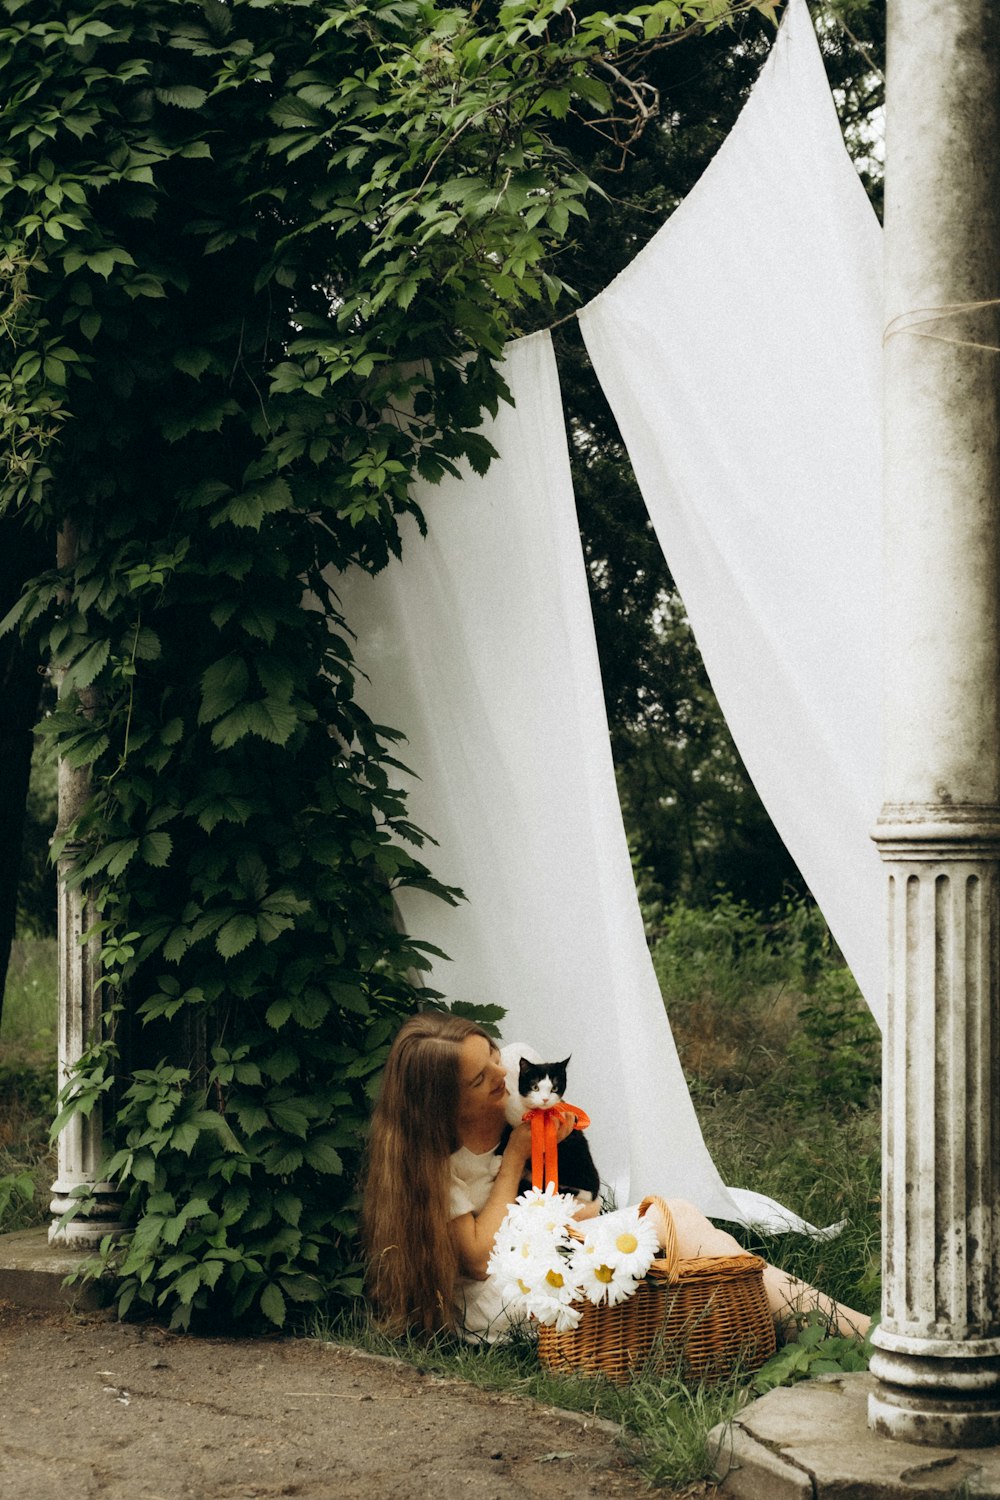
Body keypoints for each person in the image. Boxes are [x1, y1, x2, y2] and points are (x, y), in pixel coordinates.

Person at [362, 1012, 871, 1343]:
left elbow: (555, 1183)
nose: (502, 1075)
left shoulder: (510, 1099)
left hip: (546, 1246)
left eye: (494, 1057)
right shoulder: (432, 1161)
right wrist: (518, 1154)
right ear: (443, 1105)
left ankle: (825, 1325)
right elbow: (475, 1259)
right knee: (674, 1238)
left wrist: (569, 1208)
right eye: (482, 1078)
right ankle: (843, 1330)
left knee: (679, 1222)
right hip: (502, 1290)